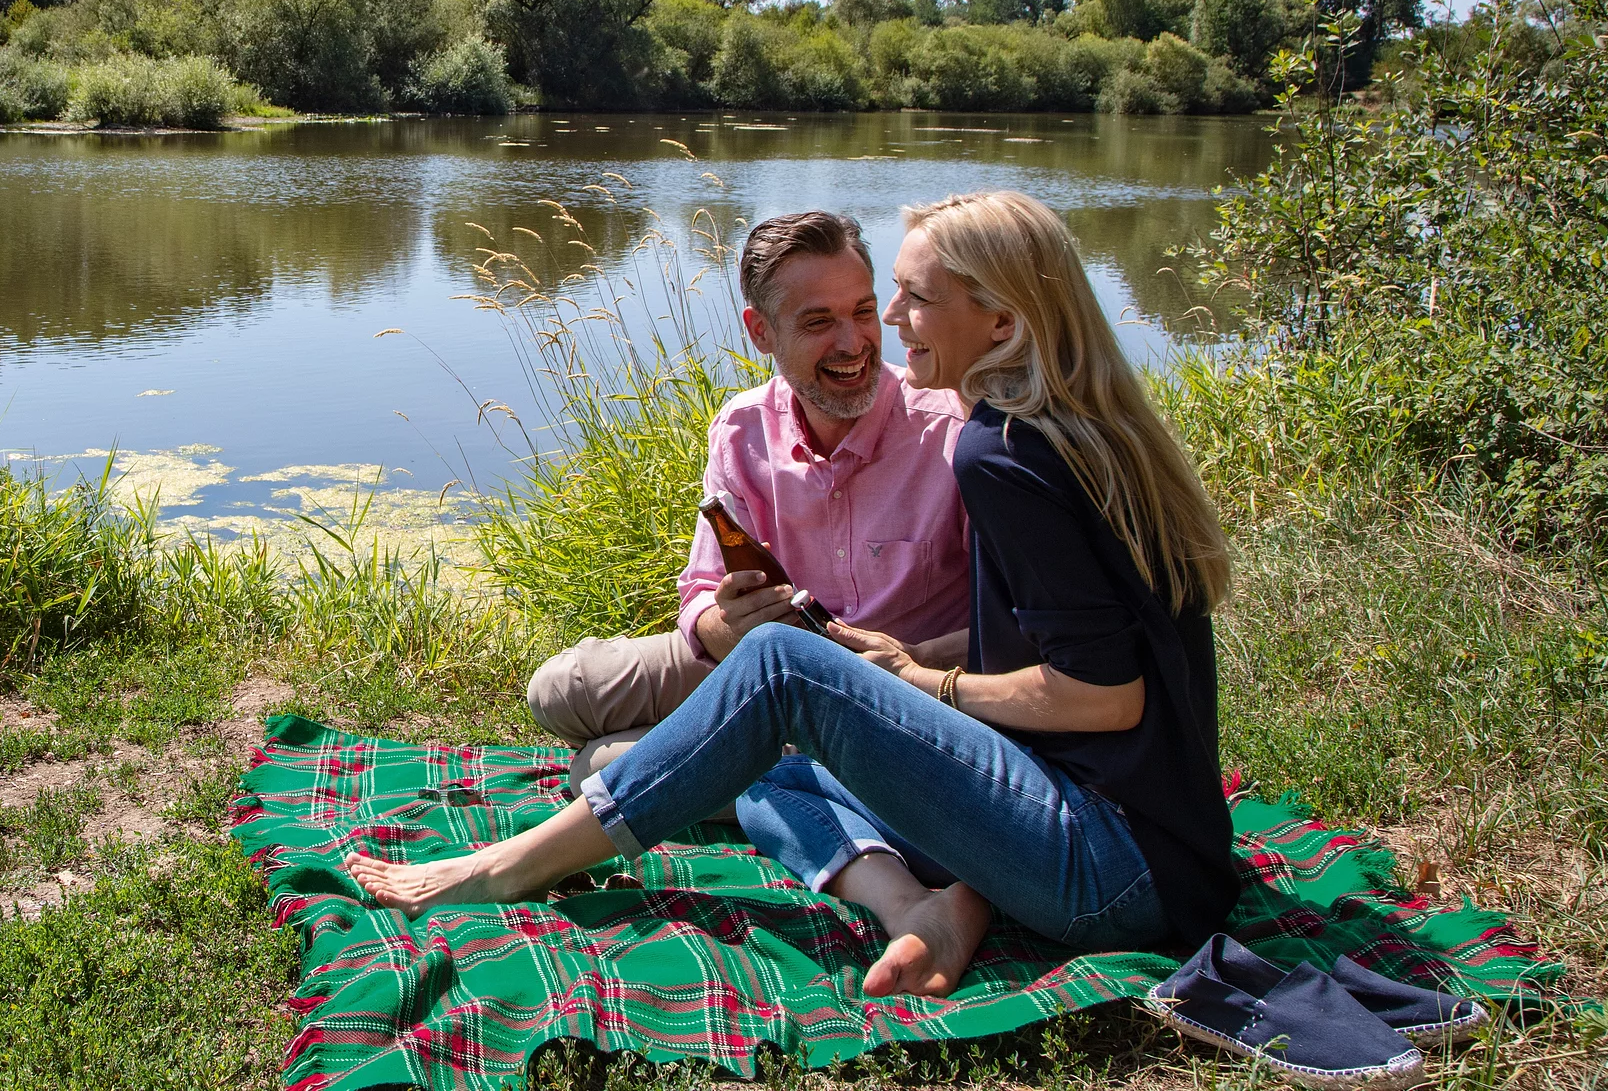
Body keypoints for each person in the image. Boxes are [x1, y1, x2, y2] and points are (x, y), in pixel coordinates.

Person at [349, 190, 1238, 998]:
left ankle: (509, 867)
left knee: (779, 673)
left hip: (1114, 868)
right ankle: (927, 904)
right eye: (872, 300)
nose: (886, 323)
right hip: (1140, 847)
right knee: (738, 731)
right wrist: (874, 658)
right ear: (762, 330)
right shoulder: (1068, 429)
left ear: (1002, 322)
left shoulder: (995, 451)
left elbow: (1108, 698)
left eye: (907, 299)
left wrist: (922, 682)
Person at [524, 211, 972, 797]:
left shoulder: (954, 430)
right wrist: (723, 622)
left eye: (863, 312)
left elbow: (1012, 625)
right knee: (562, 690)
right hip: (760, 664)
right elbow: (701, 591)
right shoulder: (742, 428)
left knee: (600, 771)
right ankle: (766, 754)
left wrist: (914, 664)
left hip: (892, 690)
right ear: (760, 331)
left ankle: (781, 765)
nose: (853, 343)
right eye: (818, 322)